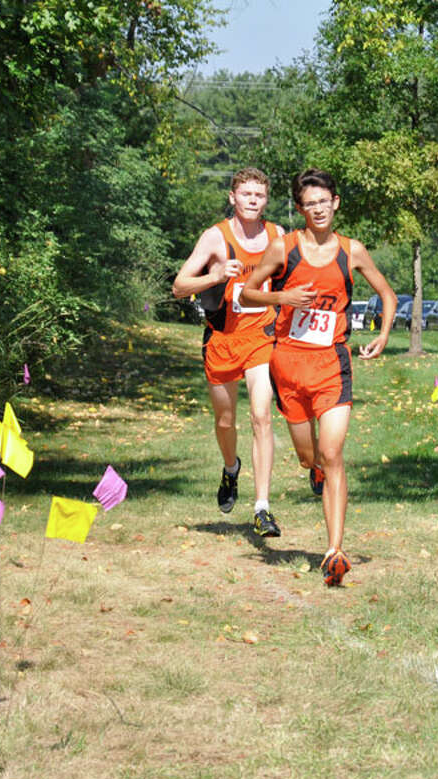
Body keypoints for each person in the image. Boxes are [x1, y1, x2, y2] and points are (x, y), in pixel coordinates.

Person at [240, 168, 397, 586]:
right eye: (310, 204)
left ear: (335, 203)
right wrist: (282, 297)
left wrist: (382, 335)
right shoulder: (283, 248)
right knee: (310, 457)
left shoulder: (352, 251)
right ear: (300, 209)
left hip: (333, 366)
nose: (318, 209)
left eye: (324, 202)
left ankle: (334, 551)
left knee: (332, 454)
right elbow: (245, 292)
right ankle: (313, 470)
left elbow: (388, 294)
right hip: (289, 367)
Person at [172, 168, 285, 537]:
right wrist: (217, 276)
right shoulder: (214, 238)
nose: (253, 200)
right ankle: (231, 467)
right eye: (246, 194)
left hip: (261, 338)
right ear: (233, 198)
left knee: (261, 415)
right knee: (225, 421)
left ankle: (262, 507)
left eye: (260, 195)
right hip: (222, 339)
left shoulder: (277, 236)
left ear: (266, 200)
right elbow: (179, 286)